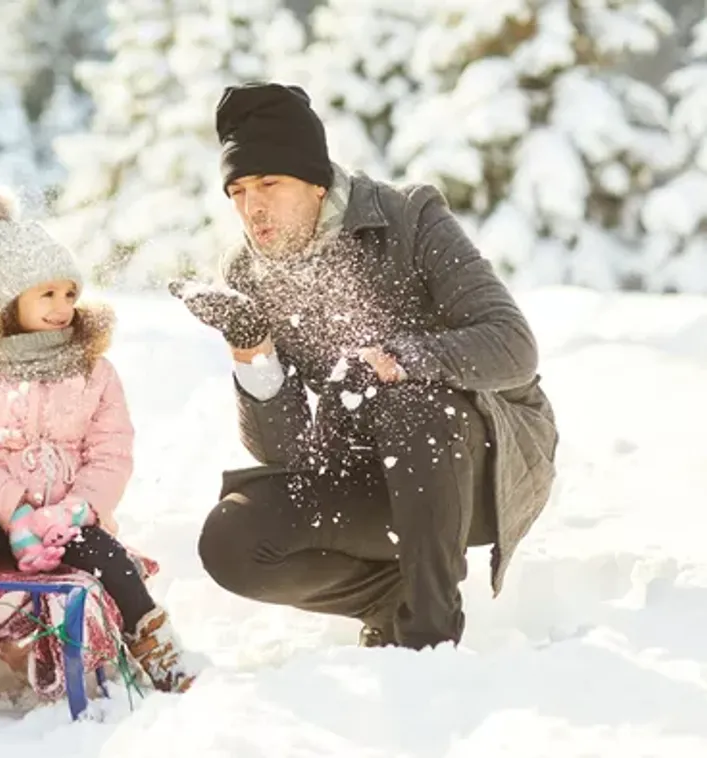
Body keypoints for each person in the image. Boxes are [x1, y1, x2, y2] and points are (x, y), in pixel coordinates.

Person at [182, 82, 559, 650]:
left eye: (268, 183)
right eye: (236, 190)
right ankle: (390, 599)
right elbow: (285, 455)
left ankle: (429, 635)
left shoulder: (409, 217)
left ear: (315, 181)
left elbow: (513, 345)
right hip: (372, 478)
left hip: (478, 467)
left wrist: (401, 359)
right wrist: (252, 347)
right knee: (232, 538)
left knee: (407, 402)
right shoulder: (250, 272)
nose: (251, 207)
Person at [0, 188, 198, 693]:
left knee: (107, 557)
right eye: (47, 294)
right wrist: (15, 510)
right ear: (7, 303)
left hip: (68, 521)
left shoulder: (94, 373)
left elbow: (111, 452)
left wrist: (75, 510)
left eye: (69, 294)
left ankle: (152, 637)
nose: (63, 307)